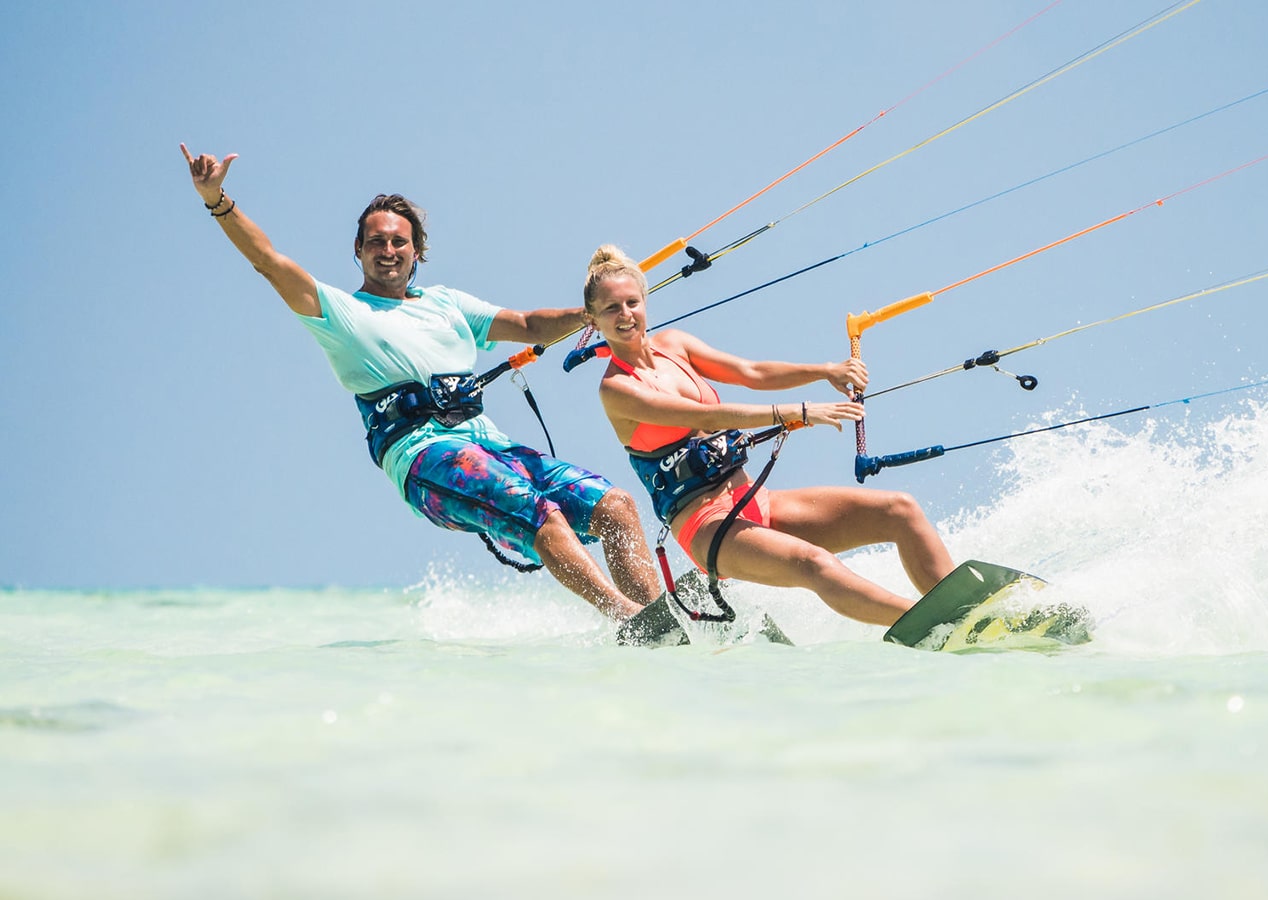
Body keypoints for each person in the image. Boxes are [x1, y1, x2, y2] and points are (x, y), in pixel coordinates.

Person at [180, 145, 660, 622]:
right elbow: (268, 261)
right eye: (376, 242)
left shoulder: (445, 303)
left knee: (615, 507)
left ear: (417, 251)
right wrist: (217, 199)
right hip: (423, 458)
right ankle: (630, 620)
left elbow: (530, 326)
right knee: (539, 512)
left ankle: (664, 620)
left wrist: (593, 313)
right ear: (358, 250)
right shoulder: (340, 313)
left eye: (398, 242)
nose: (388, 251)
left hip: (490, 445)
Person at [582, 244, 958, 627]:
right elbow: (706, 415)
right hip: (708, 526)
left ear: (644, 301)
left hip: (753, 498)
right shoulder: (616, 389)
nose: (625, 315)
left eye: (632, 302)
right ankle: (933, 624)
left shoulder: (675, 345)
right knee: (815, 564)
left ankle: (962, 609)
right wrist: (796, 411)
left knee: (899, 510)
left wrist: (825, 370)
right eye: (612, 308)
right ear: (592, 320)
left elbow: (752, 372)